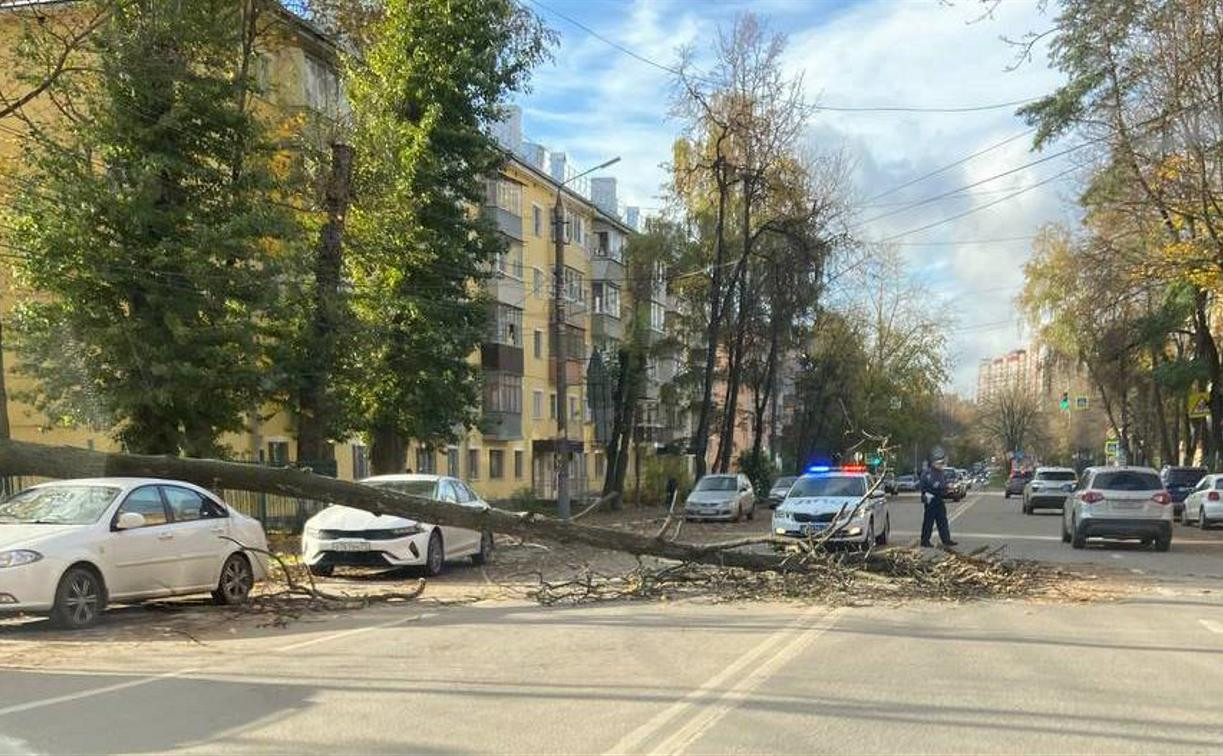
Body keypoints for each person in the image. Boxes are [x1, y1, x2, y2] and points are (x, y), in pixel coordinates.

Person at [919, 449, 958, 548]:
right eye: (939, 463)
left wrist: (947, 489)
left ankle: (946, 539)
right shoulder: (928, 473)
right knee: (929, 521)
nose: (941, 465)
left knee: (942, 521)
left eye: (942, 463)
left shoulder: (941, 473)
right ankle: (925, 540)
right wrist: (942, 487)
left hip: (939, 499)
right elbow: (928, 486)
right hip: (930, 499)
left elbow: (942, 484)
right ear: (933, 463)